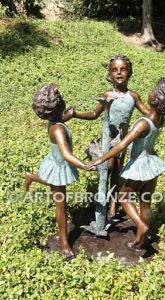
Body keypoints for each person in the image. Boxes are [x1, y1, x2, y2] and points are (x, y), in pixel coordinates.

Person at [88, 78, 165, 249]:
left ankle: (141, 226)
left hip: (139, 165)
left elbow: (122, 145)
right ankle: (142, 239)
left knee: (124, 197)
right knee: (145, 201)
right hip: (152, 164)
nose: (150, 92)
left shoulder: (143, 123)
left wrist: (100, 158)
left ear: (155, 99)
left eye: (153, 91)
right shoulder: (161, 119)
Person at [65, 55, 151, 218]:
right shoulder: (107, 94)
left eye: (123, 69)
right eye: (114, 70)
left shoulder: (133, 96)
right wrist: (75, 114)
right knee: (108, 168)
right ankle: (101, 202)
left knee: (117, 173)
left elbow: (148, 113)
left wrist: (164, 110)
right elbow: (94, 114)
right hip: (107, 141)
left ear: (130, 72)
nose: (119, 73)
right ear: (110, 74)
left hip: (123, 142)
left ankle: (112, 205)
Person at [24, 84, 92, 259]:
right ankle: (64, 243)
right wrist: (83, 165)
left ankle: (31, 176)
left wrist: (68, 116)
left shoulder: (55, 122)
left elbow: (60, 120)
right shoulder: (58, 130)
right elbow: (67, 154)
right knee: (61, 204)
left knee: (57, 188)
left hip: (56, 163)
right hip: (59, 165)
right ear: (59, 105)